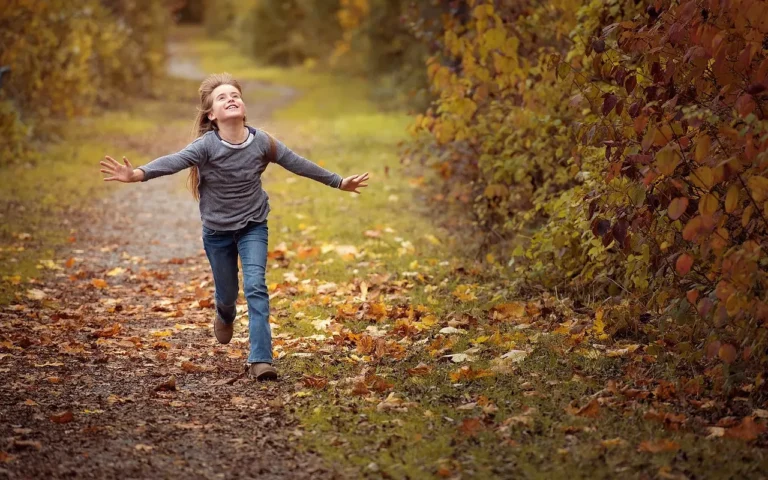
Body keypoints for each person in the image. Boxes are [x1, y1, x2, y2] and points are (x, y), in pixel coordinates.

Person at [99, 73, 369, 381]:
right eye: (222, 97)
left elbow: (298, 162)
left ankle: (260, 360)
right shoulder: (206, 146)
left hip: (253, 224)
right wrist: (137, 173)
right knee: (227, 295)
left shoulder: (262, 142)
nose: (231, 98)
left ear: (243, 106)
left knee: (256, 286)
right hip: (217, 232)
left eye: (235, 95)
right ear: (211, 115)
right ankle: (224, 313)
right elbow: (173, 161)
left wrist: (338, 181)